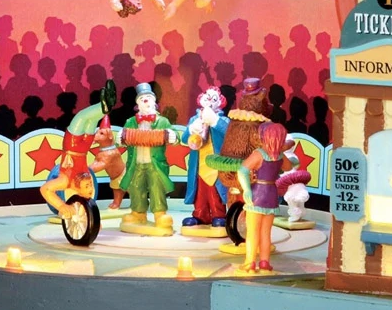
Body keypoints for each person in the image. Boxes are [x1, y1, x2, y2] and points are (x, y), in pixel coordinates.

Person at [237, 122, 299, 273]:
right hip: (271, 195)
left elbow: (242, 170)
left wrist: (247, 189)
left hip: (257, 195)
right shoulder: (280, 156)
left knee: (253, 232)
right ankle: (265, 262)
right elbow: (289, 166)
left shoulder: (259, 154)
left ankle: (250, 263)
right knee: (266, 232)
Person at [119, 83, 177, 232]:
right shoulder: (131, 122)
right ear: (137, 103)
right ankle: (138, 213)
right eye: (142, 98)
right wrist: (121, 138)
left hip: (155, 163)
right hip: (136, 163)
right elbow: (122, 138)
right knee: (136, 187)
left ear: (154, 101)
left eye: (148, 98)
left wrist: (173, 136)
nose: (145, 101)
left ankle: (160, 214)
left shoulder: (162, 121)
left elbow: (175, 136)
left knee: (156, 187)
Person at [181, 87, 230, 230]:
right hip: (199, 165)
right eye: (207, 97)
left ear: (219, 103)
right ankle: (200, 214)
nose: (209, 101)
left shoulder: (223, 120)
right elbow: (184, 139)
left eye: (214, 99)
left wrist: (214, 121)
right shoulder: (194, 119)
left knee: (215, 191)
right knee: (200, 192)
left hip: (216, 166)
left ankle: (218, 215)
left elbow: (229, 134)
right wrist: (192, 129)